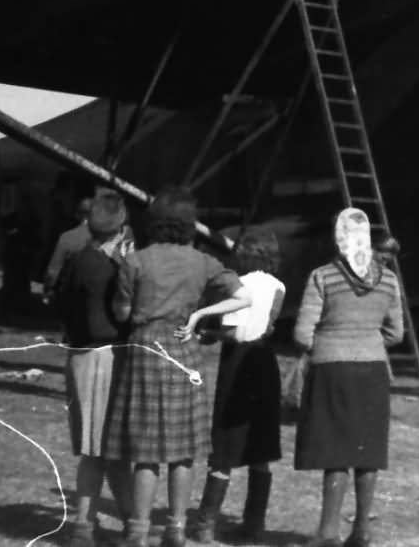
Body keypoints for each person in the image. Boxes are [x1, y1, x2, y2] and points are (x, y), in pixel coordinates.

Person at [102, 188, 251, 547]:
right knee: (183, 451)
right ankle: (176, 529)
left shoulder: (135, 261)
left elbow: (122, 313)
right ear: (189, 224)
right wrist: (200, 314)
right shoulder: (203, 261)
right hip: (184, 350)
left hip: (144, 351)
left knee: (145, 451)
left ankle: (138, 532)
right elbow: (243, 296)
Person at [294, 207, 405, 547]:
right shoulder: (388, 280)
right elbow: (396, 333)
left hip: (331, 370)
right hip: (373, 369)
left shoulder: (322, 276)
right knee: (367, 451)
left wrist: (326, 344)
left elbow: (302, 334)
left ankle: (328, 531)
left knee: (335, 451)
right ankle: (362, 531)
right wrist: (367, 339)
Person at [186, 228, 286, 544]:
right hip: (264, 362)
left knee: (225, 445)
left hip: (237, 364)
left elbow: (234, 331)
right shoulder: (279, 287)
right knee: (260, 444)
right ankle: (254, 525)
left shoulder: (238, 285)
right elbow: (266, 327)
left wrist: (209, 334)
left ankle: (205, 524)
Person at [52, 190, 134, 546]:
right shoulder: (111, 268)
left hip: (78, 356)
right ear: (120, 229)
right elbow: (122, 315)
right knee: (102, 451)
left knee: (99, 450)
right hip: (105, 357)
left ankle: (127, 522)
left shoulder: (76, 260)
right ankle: (85, 529)